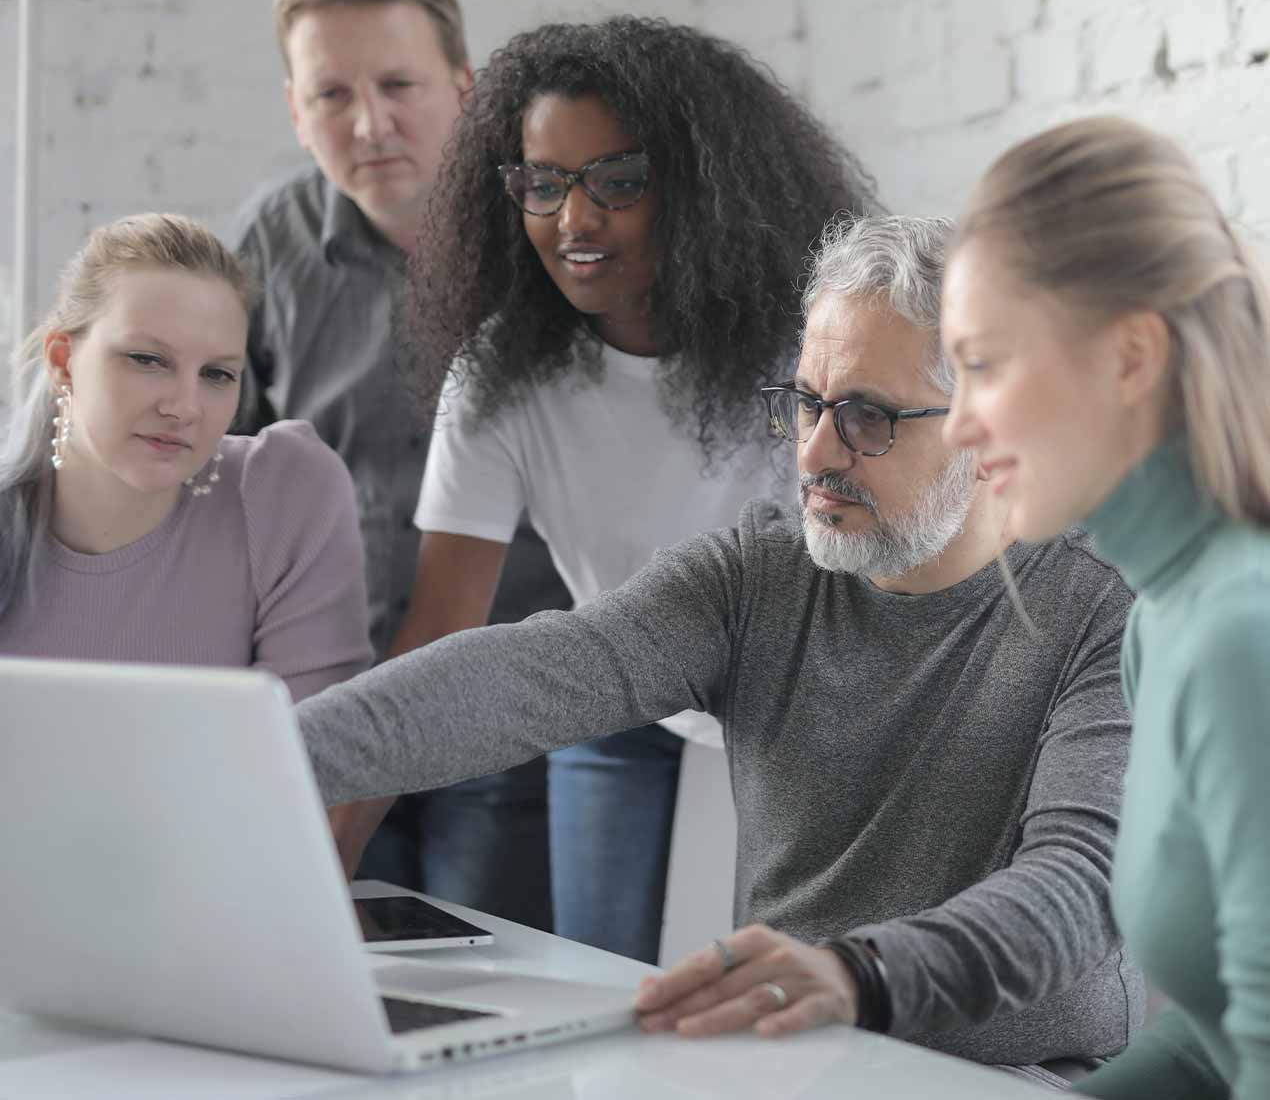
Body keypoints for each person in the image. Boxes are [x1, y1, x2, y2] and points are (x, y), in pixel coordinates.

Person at [303, 215, 1143, 1077]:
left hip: (1017, 1077)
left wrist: (862, 977)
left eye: (866, 417)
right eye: (809, 403)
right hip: (799, 1060)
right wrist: (267, 755)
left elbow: (1081, 886)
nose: (816, 452)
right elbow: (527, 676)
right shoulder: (757, 576)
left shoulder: (1105, 615)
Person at [392, 15, 877, 963]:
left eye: (617, 182)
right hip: (617, 712)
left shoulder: (807, 347)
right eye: (543, 183)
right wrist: (323, 843)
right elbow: (438, 634)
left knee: (780, 1016)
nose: (574, 219)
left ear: (700, 190)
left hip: (795, 723)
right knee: (609, 999)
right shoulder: (500, 379)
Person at [225, 0, 571, 926]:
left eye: (398, 85)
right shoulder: (265, 247)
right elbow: (217, 479)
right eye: (330, 94)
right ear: (295, 111)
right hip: (321, 713)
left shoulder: (550, 239)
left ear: (464, 88)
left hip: (507, 717)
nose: (368, 124)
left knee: (502, 1017)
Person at [940, 115, 1270, 1100]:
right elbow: (1222, 1040)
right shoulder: (1162, 624)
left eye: (984, 362)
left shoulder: (1237, 637)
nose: (957, 423)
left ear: (1131, 357)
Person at [0, 213, 370, 697]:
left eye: (216, 374)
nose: (184, 408)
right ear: (62, 362)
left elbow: (316, 758)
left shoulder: (286, 495)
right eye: (147, 360)